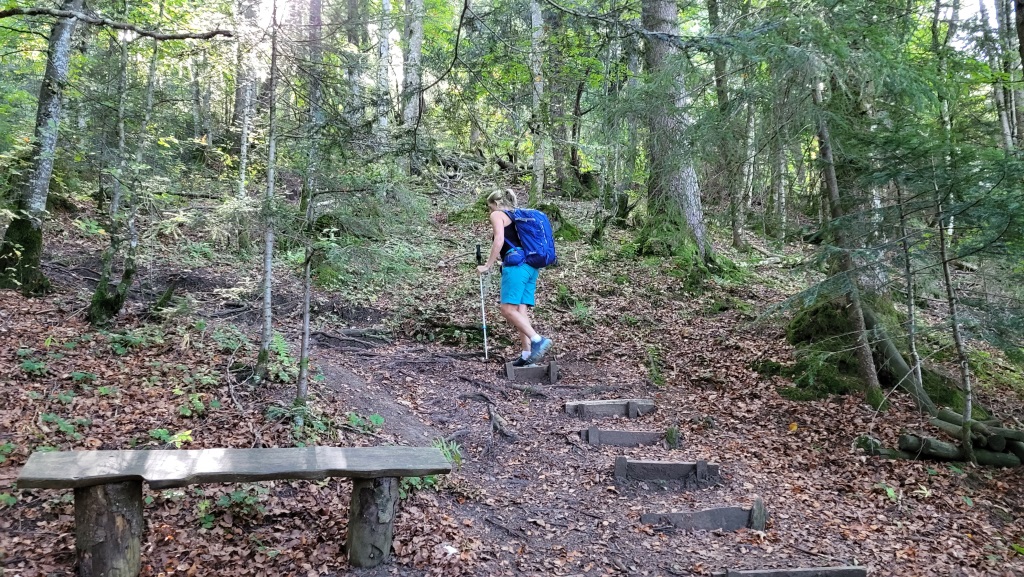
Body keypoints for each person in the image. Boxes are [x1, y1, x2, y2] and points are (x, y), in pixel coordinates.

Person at [476, 189, 553, 366]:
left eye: (490, 207)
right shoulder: (517, 215)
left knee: (507, 310)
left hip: (516, 267)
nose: (489, 211)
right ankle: (527, 354)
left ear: (496, 204)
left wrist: (487, 265)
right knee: (520, 311)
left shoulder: (497, 214)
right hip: (530, 266)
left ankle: (537, 340)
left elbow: (499, 240)